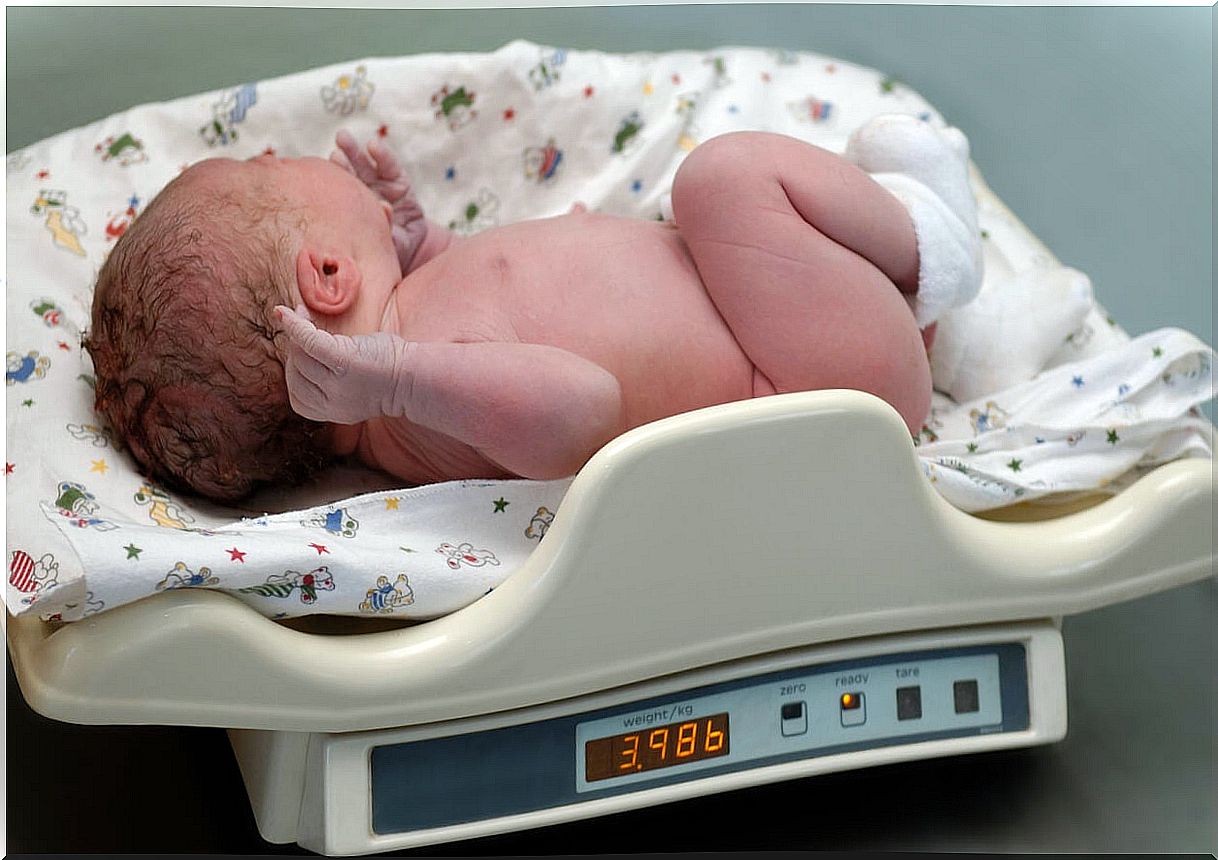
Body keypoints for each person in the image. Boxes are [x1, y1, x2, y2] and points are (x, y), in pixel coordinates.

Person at [84, 114, 982, 503]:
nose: (274, 153)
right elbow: (577, 412)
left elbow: (505, 306)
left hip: (794, 321)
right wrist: (398, 379)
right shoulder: (418, 401)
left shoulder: (419, 340)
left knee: (723, 204)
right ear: (327, 275)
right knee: (725, 178)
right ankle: (933, 248)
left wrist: (421, 243)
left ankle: (915, 286)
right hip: (819, 385)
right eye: (259, 168)